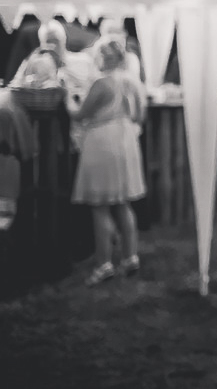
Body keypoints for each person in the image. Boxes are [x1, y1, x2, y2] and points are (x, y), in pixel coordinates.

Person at [70, 39, 147, 286]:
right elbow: (139, 115)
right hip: (126, 140)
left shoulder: (102, 83)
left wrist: (66, 98)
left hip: (103, 142)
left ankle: (104, 264)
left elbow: (80, 114)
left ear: (103, 57)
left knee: (100, 205)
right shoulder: (131, 81)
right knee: (122, 202)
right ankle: (130, 256)